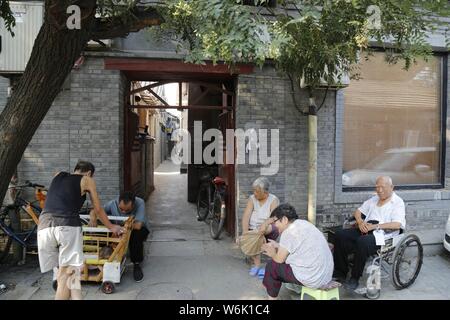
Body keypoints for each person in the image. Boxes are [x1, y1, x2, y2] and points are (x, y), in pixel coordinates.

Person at [37, 160, 123, 300]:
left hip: (44, 226)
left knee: (70, 271)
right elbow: (98, 208)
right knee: (65, 274)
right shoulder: (87, 180)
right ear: (89, 173)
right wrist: (112, 227)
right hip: (66, 225)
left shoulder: (58, 175)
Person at [332, 176, 406, 291]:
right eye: (377, 187)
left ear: (392, 187)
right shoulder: (374, 199)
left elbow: (397, 224)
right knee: (340, 235)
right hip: (366, 228)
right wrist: (360, 222)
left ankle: (354, 278)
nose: (379, 190)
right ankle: (341, 272)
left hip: (383, 235)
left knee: (362, 242)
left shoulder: (397, 202)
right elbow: (358, 211)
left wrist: (375, 226)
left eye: (382, 187)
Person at [261, 203, 334, 300]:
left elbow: (279, 260)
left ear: (285, 220)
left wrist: (272, 253)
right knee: (286, 262)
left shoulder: (288, 232)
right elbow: (296, 248)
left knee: (271, 266)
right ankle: (294, 288)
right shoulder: (303, 223)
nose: (275, 225)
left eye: (275, 221)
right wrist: (278, 246)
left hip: (313, 278)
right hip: (326, 275)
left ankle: (272, 298)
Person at [89, 191, 150, 282]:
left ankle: (136, 264)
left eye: (127, 210)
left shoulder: (140, 202)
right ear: (118, 201)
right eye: (121, 209)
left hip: (137, 229)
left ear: (133, 205)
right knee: (102, 231)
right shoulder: (113, 203)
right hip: (118, 229)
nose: (124, 212)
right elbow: (98, 210)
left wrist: (120, 228)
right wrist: (92, 216)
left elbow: (138, 225)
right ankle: (102, 260)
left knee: (135, 236)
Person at [241, 177, 279, 278]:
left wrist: (265, 223)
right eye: (254, 190)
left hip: (268, 228)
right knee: (253, 237)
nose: (255, 193)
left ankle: (267, 267)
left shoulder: (273, 200)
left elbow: (274, 217)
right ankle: (257, 265)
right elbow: (246, 215)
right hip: (254, 229)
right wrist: (245, 232)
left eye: (257, 191)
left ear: (265, 192)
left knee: (261, 231)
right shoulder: (252, 198)